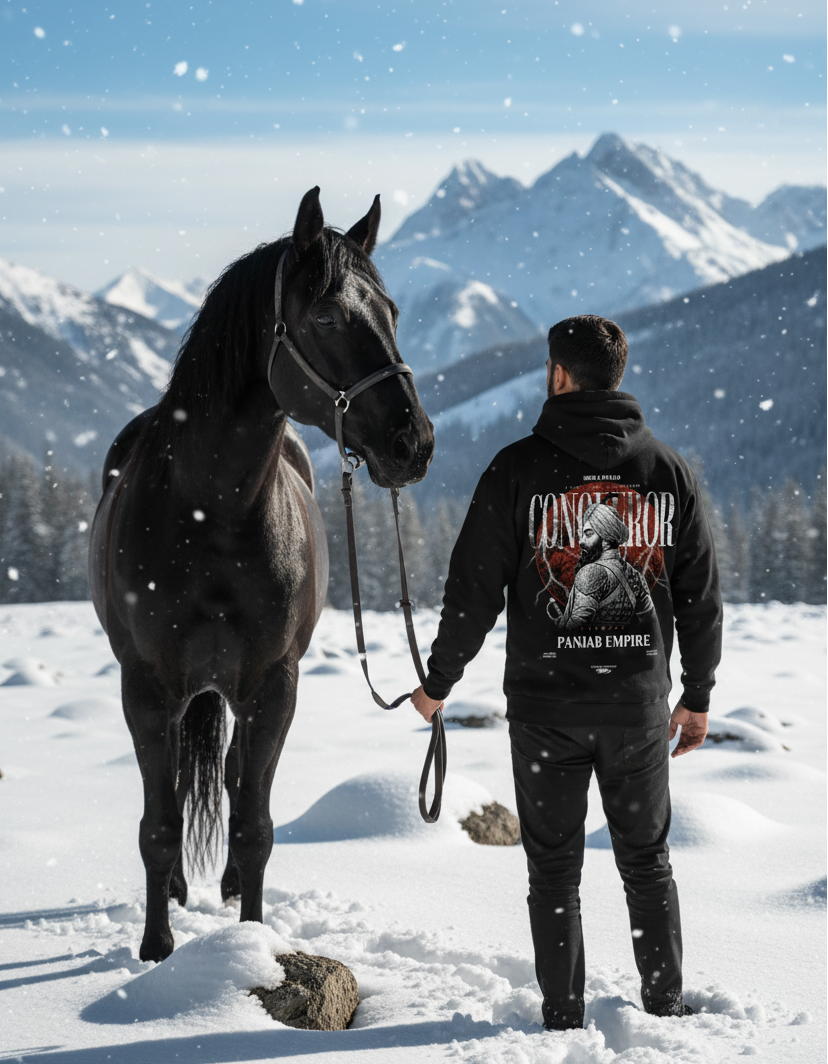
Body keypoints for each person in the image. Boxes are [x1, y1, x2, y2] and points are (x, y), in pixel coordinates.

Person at [410, 314, 721, 1030]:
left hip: (546, 710)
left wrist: (439, 682)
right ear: (617, 375)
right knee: (646, 861)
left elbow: (474, 590)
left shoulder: (517, 468)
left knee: (554, 869)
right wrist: (697, 695)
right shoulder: (665, 471)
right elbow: (700, 595)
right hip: (638, 707)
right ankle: (665, 1002)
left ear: (557, 375)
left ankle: (562, 1013)